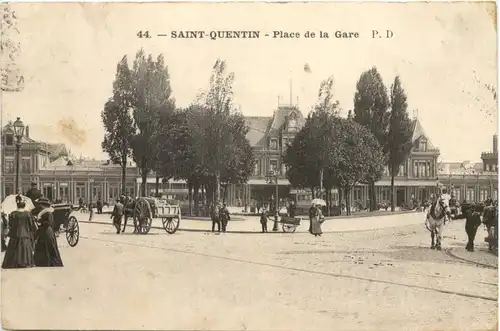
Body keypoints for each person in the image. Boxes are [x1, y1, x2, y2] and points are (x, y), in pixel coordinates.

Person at [2, 196, 36, 269]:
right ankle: (25, 262)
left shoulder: (13, 213)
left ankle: (13, 262)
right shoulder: (28, 214)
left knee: (13, 248)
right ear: (24, 205)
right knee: (25, 248)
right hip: (25, 233)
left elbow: (10, 224)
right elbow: (31, 224)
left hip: (15, 234)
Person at [33, 198, 63, 267]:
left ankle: (47, 261)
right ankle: (43, 261)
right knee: (47, 245)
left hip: (46, 230)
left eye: (41, 204)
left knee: (46, 245)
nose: (40, 206)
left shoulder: (47, 212)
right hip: (48, 230)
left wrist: (39, 222)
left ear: (44, 205)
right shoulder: (47, 212)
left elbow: (47, 222)